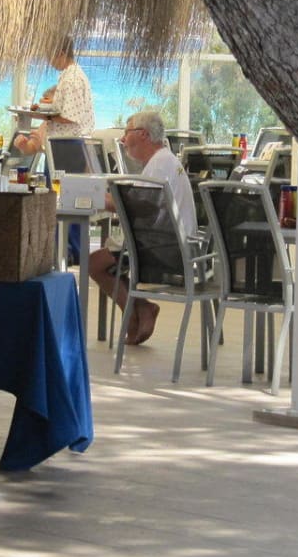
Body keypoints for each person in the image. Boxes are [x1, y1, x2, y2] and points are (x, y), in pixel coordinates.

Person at [88, 111, 197, 345]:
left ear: (143, 134)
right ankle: (141, 308)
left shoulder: (158, 166)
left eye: (126, 133)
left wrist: (92, 196)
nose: (123, 140)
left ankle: (134, 315)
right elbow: (140, 202)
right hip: (175, 244)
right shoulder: (162, 161)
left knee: (95, 264)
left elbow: (140, 208)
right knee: (107, 261)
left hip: (164, 249)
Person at [13, 36, 94, 155]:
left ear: (61, 54)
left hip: (69, 148)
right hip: (66, 146)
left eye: (49, 57)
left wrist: (36, 116)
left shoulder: (71, 79)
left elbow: (70, 117)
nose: (48, 61)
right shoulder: (71, 76)